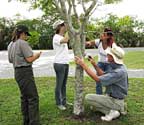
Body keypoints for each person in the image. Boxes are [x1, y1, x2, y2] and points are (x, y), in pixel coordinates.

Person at [75, 44, 128, 121]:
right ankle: (117, 108)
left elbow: (97, 79)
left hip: (115, 100)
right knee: (93, 106)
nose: (107, 55)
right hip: (112, 97)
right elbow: (103, 74)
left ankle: (113, 111)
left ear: (113, 58)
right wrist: (94, 64)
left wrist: (83, 64)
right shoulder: (117, 66)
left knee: (88, 98)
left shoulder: (119, 72)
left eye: (109, 55)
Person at [8, 25, 41, 125]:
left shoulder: (11, 44)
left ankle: (26, 120)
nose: (27, 37)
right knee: (33, 98)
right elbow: (29, 59)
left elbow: (10, 60)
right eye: (26, 34)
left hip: (17, 72)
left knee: (24, 97)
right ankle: (34, 122)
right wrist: (37, 55)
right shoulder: (22, 43)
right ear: (22, 33)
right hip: (25, 72)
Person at [86, 28, 115, 95]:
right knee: (98, 80)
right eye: (104, 33)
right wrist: (88, 43)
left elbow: (110, 54)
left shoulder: (112, 44)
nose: (103, 35)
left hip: (109, 64)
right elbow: (89, 43)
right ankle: (99, 96)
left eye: (106, 34)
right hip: (100, 64)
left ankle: (108, 95)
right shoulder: (99, 41)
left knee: (109, 80)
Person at [52, 19, 70, 110]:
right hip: (59, 63)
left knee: (64, 84)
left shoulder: (61, 36)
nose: (65, 26)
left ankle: (64, 101)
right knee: (59, 84)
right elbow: (66, 40)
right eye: (63, 24)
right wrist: (69, 30)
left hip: (65, 63)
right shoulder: (56, 37)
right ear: (59, 27)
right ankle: (59, 103)